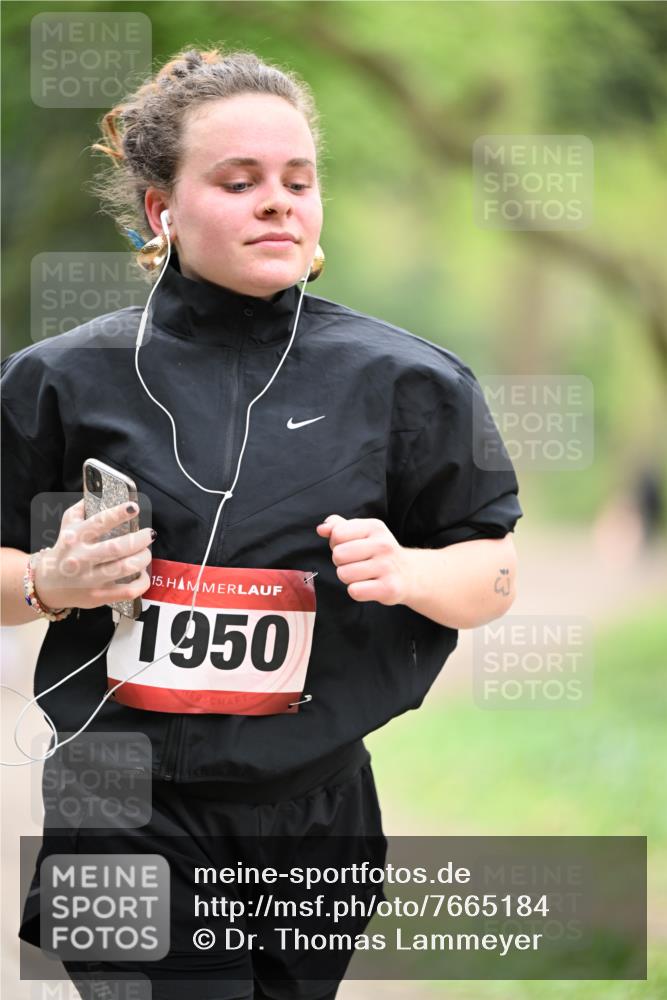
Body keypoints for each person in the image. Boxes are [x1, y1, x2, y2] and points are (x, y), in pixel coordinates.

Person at [1, 47, 522, 1000]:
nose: (277, 202)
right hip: (117, 800)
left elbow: (490, 574)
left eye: (297, 180)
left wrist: (405, 572)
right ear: (162, 212)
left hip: (315, 810)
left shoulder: (411, 381)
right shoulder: (56, 379)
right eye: (238, 182)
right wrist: (49, 580)